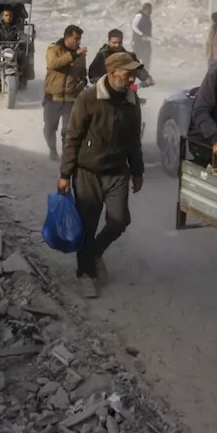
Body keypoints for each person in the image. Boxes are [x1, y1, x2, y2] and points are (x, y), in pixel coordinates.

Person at [58, 52, 145, 298]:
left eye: (133, 74)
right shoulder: (88, 98)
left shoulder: (132, 100)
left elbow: (133, 139)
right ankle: (85, 273)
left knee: (119, 221)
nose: (131, 79)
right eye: (128, 73)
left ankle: (94, 252)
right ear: (112, 72)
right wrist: (65, 174)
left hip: (117, 172)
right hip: (88, 173)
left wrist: (137, 171)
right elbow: (72, 137)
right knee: (88, 224)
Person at [44, 25, 88, 161]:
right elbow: (54, 64)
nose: (78, 42)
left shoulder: (80, 54)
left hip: (71, 99)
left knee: (68, 131)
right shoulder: (54, 49)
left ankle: (66, 156)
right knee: (50, 129)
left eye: (80, 39)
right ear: (67, 38)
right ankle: (52, 149)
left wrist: (83, 81)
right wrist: (74, 55)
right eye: (76, 39)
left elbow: (82, 72)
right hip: (53, 98)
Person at [88, 29, 153, 86]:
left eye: (119, 43)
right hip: (108, 87)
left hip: (125, 87)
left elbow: (137, 69)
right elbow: (93, 72)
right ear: (109, 41)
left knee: (134, 98)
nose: (117, 45)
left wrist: (146, 78)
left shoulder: (127, 56)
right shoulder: (102, 55)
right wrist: (99, 81)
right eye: (114, 43)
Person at [131, 3, 153, 71]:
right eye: (149, 10)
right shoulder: (139, 15)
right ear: (144, 10)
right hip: (138, 42)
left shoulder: (148, 17)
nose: (150, 12)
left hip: (146, 43)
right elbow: (133, 26)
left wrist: (149, 37)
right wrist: (141, 35)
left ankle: (145, 78)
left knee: (146, 60)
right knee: (136, 60)